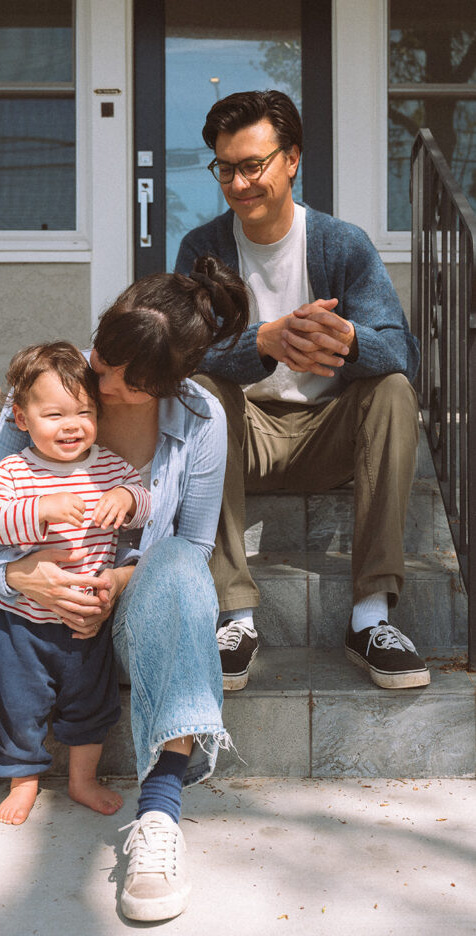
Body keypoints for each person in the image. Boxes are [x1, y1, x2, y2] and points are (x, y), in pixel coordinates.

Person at [0, 254, 250, 923]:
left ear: (168, 382)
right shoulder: (51, 384)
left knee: (179, 568)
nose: (104, 378)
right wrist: (19, 572)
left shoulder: (202, 419)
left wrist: (116, 581)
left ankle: (158, 813)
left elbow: (194, 545)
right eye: (104, 354)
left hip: (120, 625)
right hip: (17, 618)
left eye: (127, 380)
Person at [176, 89, 430, 692]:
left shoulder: (342, 244)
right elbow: (180, 357)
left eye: (252, 165)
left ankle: (371, 618)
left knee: (392, 390)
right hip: (245, 437)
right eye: (225, 168)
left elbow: (403, 352)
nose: (238, 183)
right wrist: (264, 341)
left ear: (291, 159)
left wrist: (345, 339)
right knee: (203, 387)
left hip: (330, 438)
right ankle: (234, 616)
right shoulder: (202, 249)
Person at [0, 341, 150, 825]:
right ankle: (24, 781)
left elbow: (148, 500)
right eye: (54, 414)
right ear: (22, 419)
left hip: (86, 621)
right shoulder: (14, 471)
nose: (72, 425)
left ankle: (82, 779)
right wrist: (39, 510)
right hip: (22, 623)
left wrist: (128, 498)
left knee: (90, 705)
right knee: (16, 703)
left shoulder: (109, 467)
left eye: (84, 411)